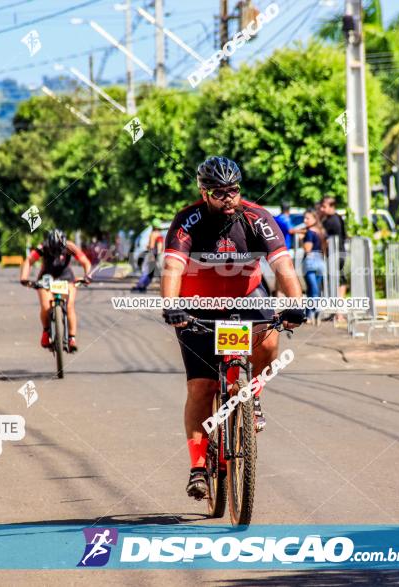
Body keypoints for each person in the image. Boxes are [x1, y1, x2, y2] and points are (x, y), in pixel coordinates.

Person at [160, 155, 305, 501]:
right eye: (219, 192)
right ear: (204, 192)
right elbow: (172, 269)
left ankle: (252, 396)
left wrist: (296, 303)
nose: (228, 199)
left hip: (246, 298)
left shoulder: (257, 218)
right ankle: (198, 467)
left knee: (270, 340)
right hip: (197, 306)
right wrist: (171, 304)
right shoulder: (188, 220)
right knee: (202, 388)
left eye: (233, 191)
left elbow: (283, 267)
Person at [19, 229, 92, 353]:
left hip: (66, 278)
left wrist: (87, 276)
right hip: (46, 279)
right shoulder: (43, 247)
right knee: (46, 306)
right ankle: (46, 331)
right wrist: (24, 278)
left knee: (69, 306)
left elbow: (85, 262)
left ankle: (72, 338)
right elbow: (29, 261)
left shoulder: (70, 246)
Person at [318, 196, 347, 303]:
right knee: (338, 279)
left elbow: (324, 238)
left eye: (323, 207)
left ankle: (338, 310)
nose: (321, 209)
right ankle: (337, 309)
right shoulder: (336, 218)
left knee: (337, 280)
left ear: (332, 206)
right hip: (337, 254)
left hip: (336, 254)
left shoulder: (332, 221)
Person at [301, 209, 328, 322]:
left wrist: (302, 241)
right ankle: (311, 313)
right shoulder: (321, 232)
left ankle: (312, 313)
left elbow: (308, 249)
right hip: (321, 261)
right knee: (315, 289)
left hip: (310, 261)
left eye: (307, 218)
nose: (304, 220)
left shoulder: (309, 233)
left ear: (314, 219)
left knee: (313, 289)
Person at [132, 223, 165, 293]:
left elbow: (149, 246)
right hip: (155, 255)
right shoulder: (158, 235)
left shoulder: (152, 234)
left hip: (151, 254)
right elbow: (158, 248)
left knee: (150, 273)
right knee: (152, 272)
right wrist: (156, 256)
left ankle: (141, 286)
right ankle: (141, 286)